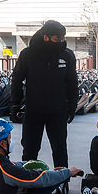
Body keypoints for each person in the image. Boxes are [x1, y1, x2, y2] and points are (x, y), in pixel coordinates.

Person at [10, 20, 79, 168]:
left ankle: (61, 183)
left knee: (59, 149)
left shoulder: (67, 55)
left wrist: (72, 106)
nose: (60, 42)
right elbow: (17, 79)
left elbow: (72, 83)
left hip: (58, 111)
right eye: (57, 39)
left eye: (62, 38)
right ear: (45, 37)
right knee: (30, 150)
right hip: (34, 111)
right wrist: (15, 105)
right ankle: (27, 184)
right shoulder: (28, 55)